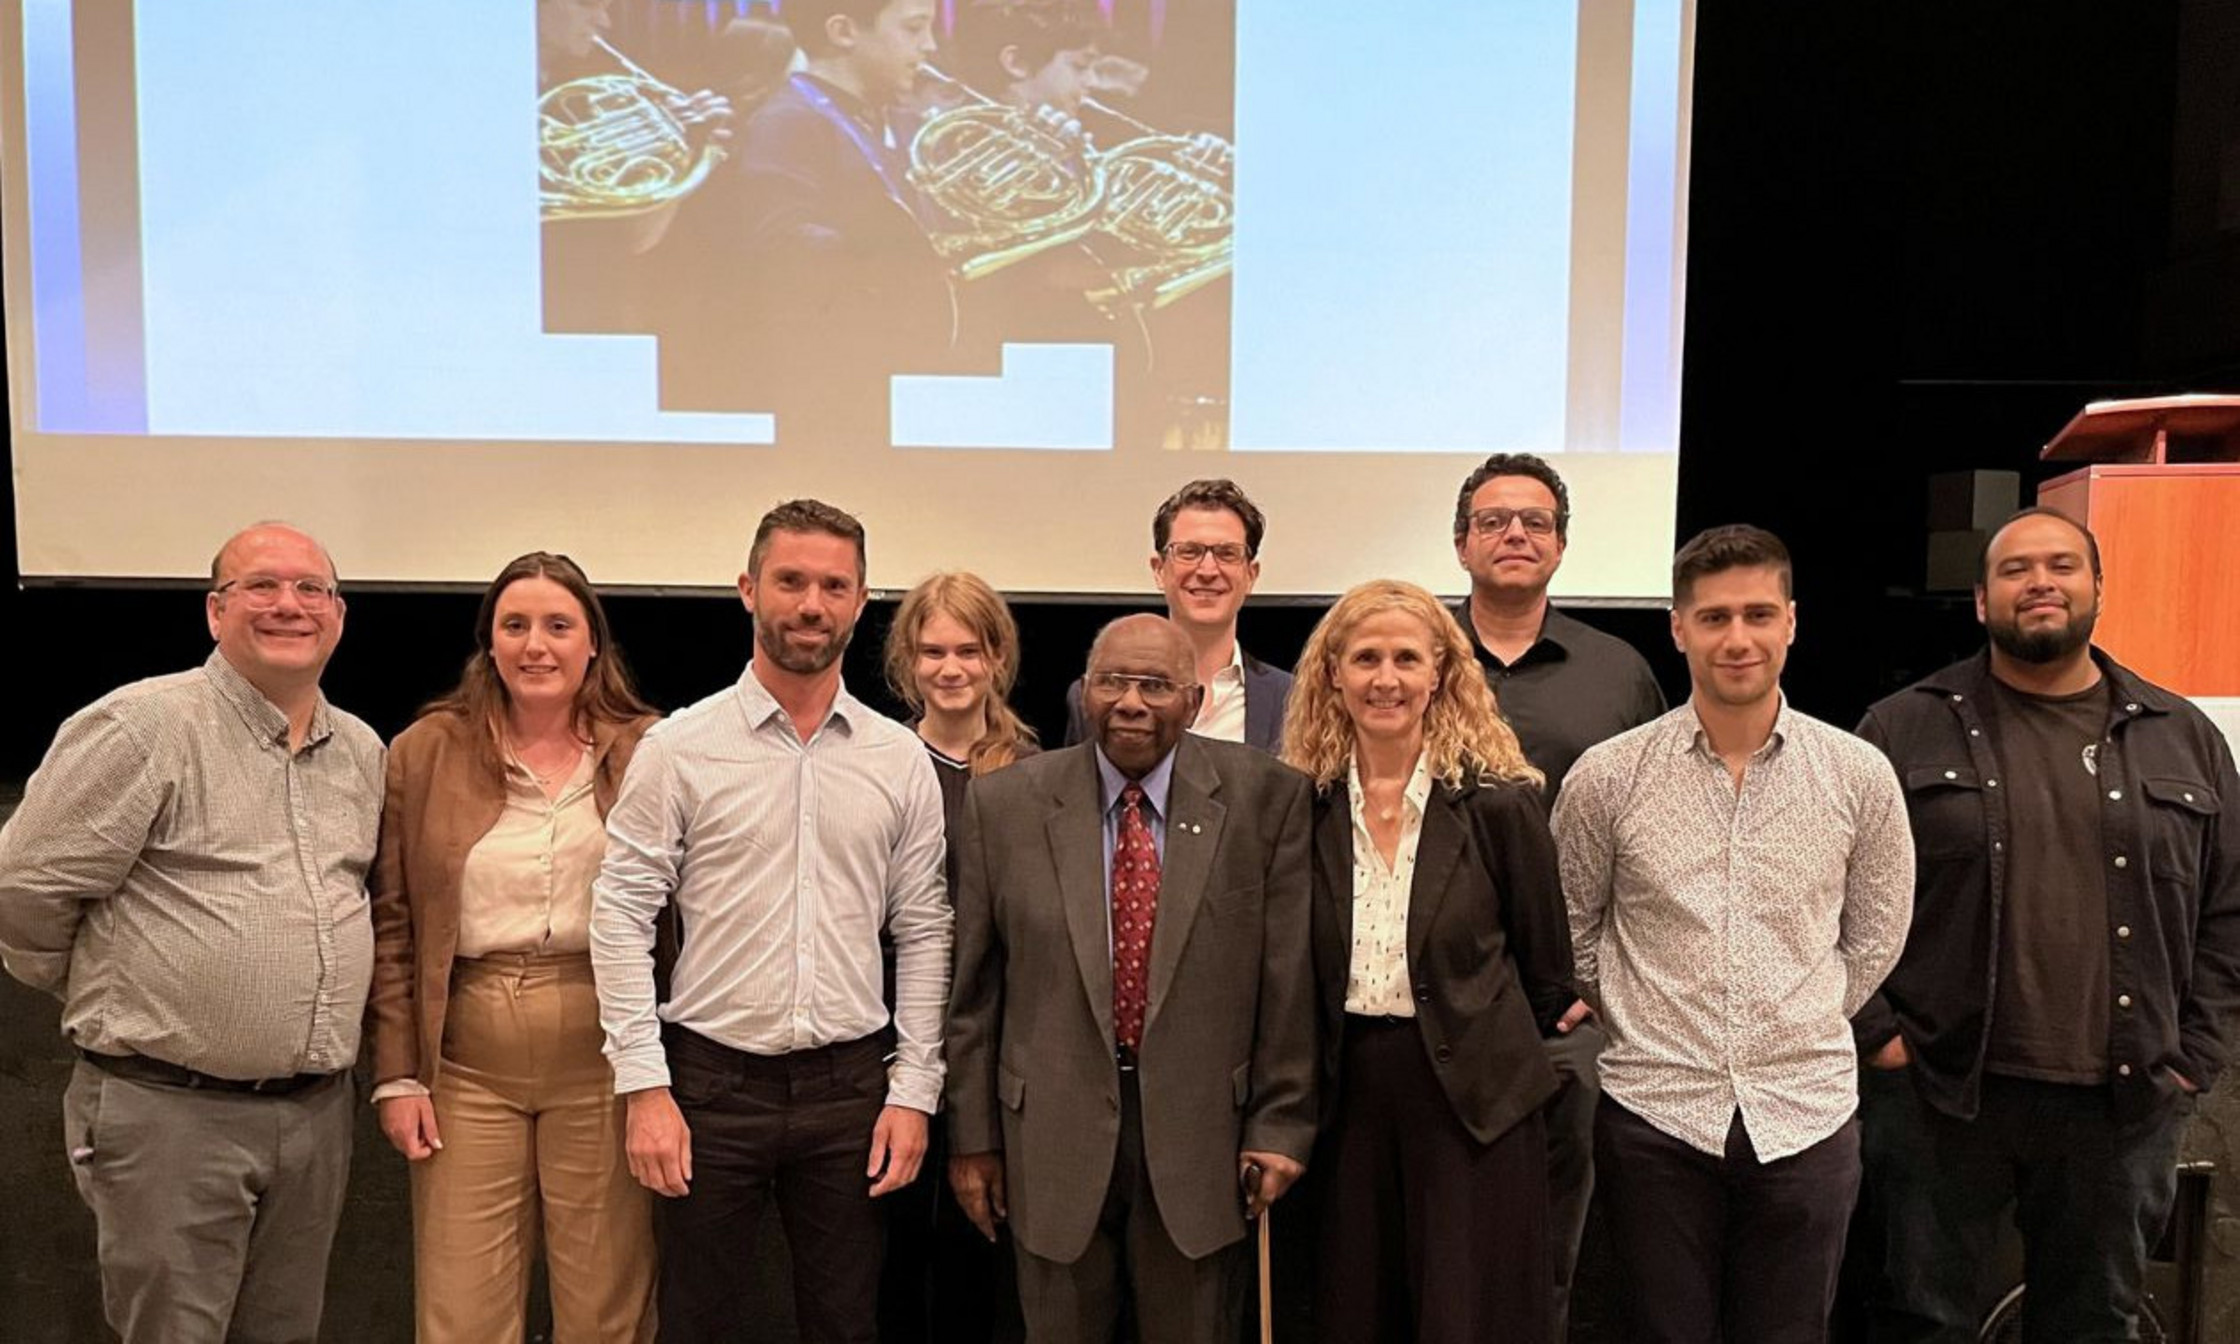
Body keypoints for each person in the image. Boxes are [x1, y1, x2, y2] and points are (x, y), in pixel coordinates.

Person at [1852, 507, 2240, 1342]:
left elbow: (2228, 908)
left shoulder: (2186, 738)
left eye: (2062, 566)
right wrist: (1878, 1034)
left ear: (2098, 587)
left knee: (2095, 1325)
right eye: (2016, 570)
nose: (2040, 583)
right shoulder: (1900, 728)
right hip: (1940, 1093)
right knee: (1922, 1323)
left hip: (2124, 1102)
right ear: (1981, 600)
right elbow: (1831, 898)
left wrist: (2197, 1053)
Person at [0, 523, 383, 1344]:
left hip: (314, 1118)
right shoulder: (142, 727)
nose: (289, 605)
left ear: (339, 614)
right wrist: (102, 984)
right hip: (169, 1112)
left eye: (311, 588)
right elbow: (25, 886)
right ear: (216, 611)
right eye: (261, 585)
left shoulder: (360, 750)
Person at [590, 499, 952, 1344]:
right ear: (748, 590)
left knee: (845, 1326)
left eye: (834, 586)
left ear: (861, 602)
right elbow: (621, 914)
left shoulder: (897, 757)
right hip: (708, 1090)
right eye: (790, 581)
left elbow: (924, 928)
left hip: (851, 1095)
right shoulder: (679, 748)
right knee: (698, 1325)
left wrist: (914, 1092)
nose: (811, 605)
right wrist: (644, 1085)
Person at [1553, 525, 1914, 1344]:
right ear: (1679, 629)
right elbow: (1572, 928)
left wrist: (1803, 1015)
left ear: (1792, 622)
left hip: (1807, 1114)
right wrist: (1642, 1016)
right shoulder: (1608, 776)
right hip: (1654, 1115)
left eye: (1758, 614)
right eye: (1714, 618)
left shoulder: (1858, 774)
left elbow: (1877, 933)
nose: (1738, 638)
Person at [946, 613, 1317, 1343]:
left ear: (1195, 700)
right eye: (1112, 682)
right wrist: (972, 1138)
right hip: (1047, 1141)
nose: (1131, 703)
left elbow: (1288, 981)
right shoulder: (1005, 804)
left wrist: (1280, 1121)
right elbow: (975, 995)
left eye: (1155, 685)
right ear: (1084, 692)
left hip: (1205, 1142)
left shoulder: (1268, 798)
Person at [366, 552, 662, 1342]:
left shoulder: (648, 750)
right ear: (489, 642)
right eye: (516, 625)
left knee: (607, 1309)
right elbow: (392, 923)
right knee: (462, 1311)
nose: (537, 645)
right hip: (465, 1062)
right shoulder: (425, 751)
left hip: (605, 1054)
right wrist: (397, 1073)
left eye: (559, 626)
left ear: (592, 643)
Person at [1280, 580, 1572, 1343]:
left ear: (1439, 673)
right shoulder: (1300, 808)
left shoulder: (1499, 805)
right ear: (1333, 674)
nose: (1387, 679)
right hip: (1345, 1097)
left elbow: (1547, 972)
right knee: (1354, 1312)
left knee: (1463, 1317)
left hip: (1474, 1104)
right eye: (1366, 658)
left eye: (1407, 659)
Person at [1450, 450, 1665, 1339]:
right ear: (1461, 543)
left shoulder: (1618, 672)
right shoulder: (1408, 656)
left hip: (1568, 1010)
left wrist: (1603, 985)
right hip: (1427, 997)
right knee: (1439, 1234)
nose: (1515, 534)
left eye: (1534, 521)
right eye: (1494, 520)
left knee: (1550, 1241)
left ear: (1562, 546)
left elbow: (1658, 834)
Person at [658, 0, 957, 439]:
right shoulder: (789, 119)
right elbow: (783, 243)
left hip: (874, 378)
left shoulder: (873, 118)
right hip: (820, 393)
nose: (929, 46)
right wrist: (902, 254)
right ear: (843, 31)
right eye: (914, 28)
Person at [877, 571, 1040, 1344]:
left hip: (998, 1044)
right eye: (933, 651)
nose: (950, 668)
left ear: (997, 656)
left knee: (982, 1257)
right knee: (895, 1253)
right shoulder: (879, 762)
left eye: (968, 651)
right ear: (907, 661)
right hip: (890, 1042)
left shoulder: (1036, 773)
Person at [1064, 479, 1293, 752]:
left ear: (1251, 575)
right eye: (1189, 552)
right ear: (1159, 570)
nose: (1208, 570)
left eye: (1227, 554)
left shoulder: (1292, 699)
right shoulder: (1097, 696)